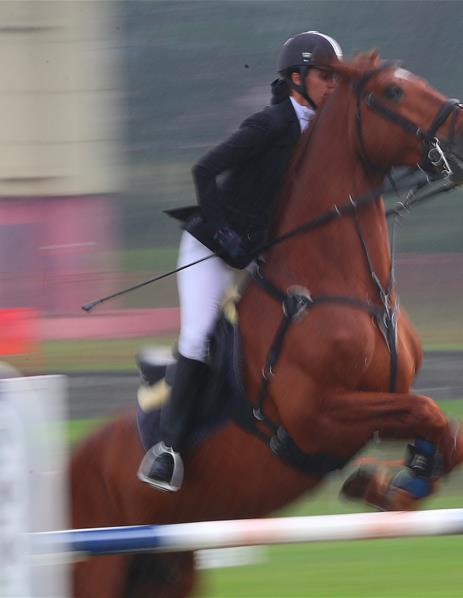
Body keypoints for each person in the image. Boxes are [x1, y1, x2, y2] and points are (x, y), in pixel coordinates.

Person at [138, 31, 342, 491]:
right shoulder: (269, 125)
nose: (333, 85)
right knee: (199, 338)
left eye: (336, 77)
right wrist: (224, 232)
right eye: (325, 76)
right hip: (212, 246)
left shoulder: (323, 133)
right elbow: (204, 170)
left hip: (261, 249)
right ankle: (166, 450)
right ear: (297, 79)